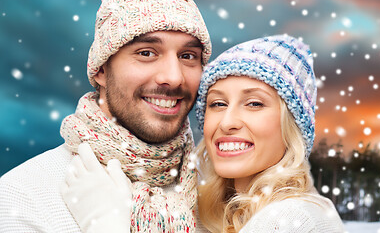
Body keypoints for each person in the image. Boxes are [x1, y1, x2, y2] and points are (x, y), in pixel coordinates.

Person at [62, 35, 345, 232]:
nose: (227, 122)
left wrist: (107, 223)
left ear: (291, 125)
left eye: (254, 103)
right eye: (217, 104)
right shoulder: (227, 216)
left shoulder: (290, 218)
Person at [0, 0, 211, 232]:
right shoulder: (23, 198)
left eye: (187, 56)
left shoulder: (222, 196)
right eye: (146, 53)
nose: (173, 77)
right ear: (100, 69)